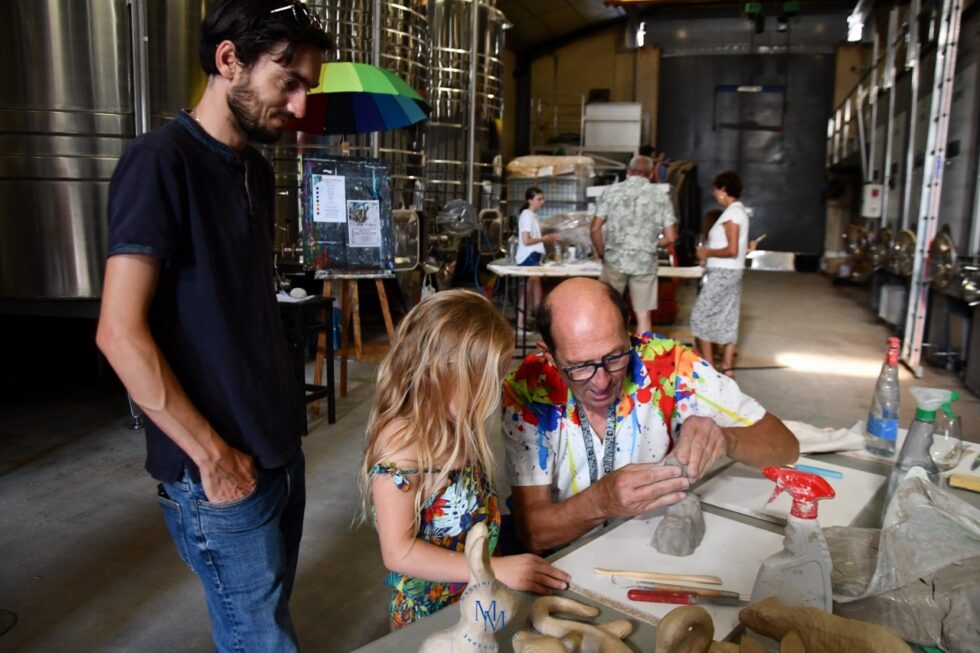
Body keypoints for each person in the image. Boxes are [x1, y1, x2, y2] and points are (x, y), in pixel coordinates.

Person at [95, 2, 331, 650]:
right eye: (290, 81)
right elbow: (118, 332)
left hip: (278, 450)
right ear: (229, 60)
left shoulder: (255, 169)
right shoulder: (159, 163)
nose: (301, 105)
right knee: (261, 642)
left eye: (308, 86)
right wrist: (212, 455)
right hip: (218, 473)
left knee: (269, 620)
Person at [501, 278, 798, 554]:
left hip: (648, 546)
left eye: (615, 356)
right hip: (564, 555)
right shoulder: (529, 389)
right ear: (549, 355)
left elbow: (786, 446)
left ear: (627, 330)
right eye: (579, 366)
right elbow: (534, 533)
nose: (602, 381)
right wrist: (601, 502)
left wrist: (726, 439)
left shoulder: (668, 365)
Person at [359, 290, 570, 629]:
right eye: (486, 381)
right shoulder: (402, 441)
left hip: (478, 598)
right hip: (432, 617)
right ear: (441, 371)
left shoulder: (456, 425)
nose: (494, 391)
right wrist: (496, 568)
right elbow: (398, 552)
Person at [590, 155, 678, 335]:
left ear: (628, 171)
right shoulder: (660, 196)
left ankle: (609, 354)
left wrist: (601, 252)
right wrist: (651, 244)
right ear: (652, 173)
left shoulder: (612, 191)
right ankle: (642, 358)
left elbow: (594, 229)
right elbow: (671, 236)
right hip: (644, 262)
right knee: (643, 316)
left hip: (614, 259)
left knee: (608, 310)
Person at [691, 171, 751, 378]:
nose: (715, 194)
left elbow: (731, 249)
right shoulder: (738, 212)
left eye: (716, 190)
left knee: (700, 317)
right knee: (728, 316)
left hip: (723, 273)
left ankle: (709, 366)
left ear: (723, 189)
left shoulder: (732, 214)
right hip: (732, 271)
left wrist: (707, 252)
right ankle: (727, 366)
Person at [515, 187, 560, 333]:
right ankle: (524, 325)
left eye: (542, 199)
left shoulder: (531, 215)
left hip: (533, 256)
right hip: (529, 257)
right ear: (530, 200)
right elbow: (526, 240)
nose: (542, 202)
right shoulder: (527, 215)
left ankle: (532, 324)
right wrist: (546, 238)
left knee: (533, 294)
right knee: (530, 294)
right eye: (539, 199)